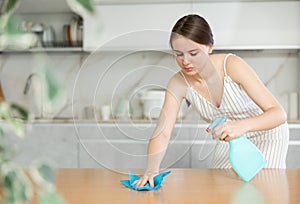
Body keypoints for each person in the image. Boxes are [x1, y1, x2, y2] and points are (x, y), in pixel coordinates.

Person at [134, 14, 289, 188]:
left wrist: (241, 126)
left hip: (266, 135)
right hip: (229, 142)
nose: (186, 62)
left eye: (193, 53)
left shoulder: (231, 65)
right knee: (221, 190)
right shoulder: (177, 83)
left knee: (262, 188)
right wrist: (151, 170)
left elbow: (278, 113)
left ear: (209, 47)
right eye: (178, 54)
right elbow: (162, 133)